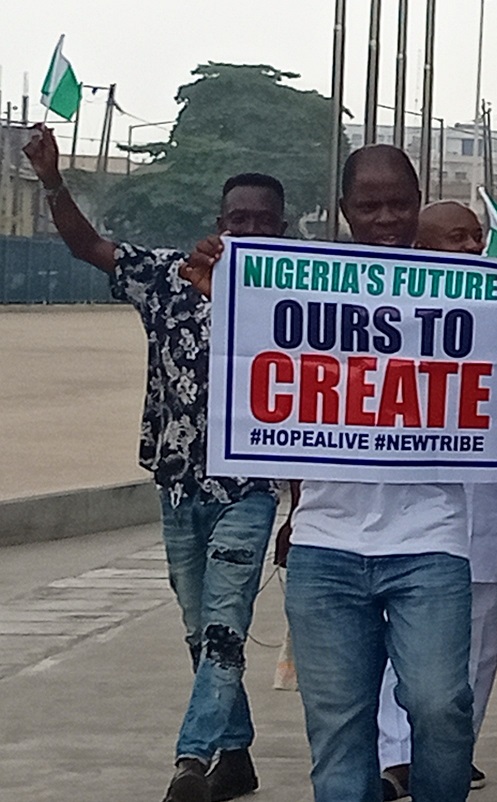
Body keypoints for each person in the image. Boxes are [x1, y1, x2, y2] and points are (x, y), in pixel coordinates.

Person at [187, 145, 481, 802]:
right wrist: (228, 297)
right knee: (338, 729)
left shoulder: (464, 291)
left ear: (418, 201)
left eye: (399, 203)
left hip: (429, 540)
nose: (385, 217)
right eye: (369, 205)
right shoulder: (304, 282)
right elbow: (278, 400)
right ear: (345, 210)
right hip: (326, 545)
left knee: (441, 708)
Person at [26, 123, 284, 802]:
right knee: (201, 630)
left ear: (284, 228)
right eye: (238, 219)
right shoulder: (168, 277)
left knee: (226, 627)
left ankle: (190, 763)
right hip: (177, 488)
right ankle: (236, 755)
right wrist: (53, 181)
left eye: (264, 221)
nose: (250, 229)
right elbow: (89, 246)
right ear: (219, 222)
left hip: (249, 490)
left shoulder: (296, 299)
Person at [370, 200, 497, 799]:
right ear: (420, 251)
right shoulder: (389, 315)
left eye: (476, 237)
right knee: (409, 653)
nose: (472, 248)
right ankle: (398, 760)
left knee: (479, 649)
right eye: (455, 239)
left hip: (487, 511)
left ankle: (450, 750)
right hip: (411, 517)